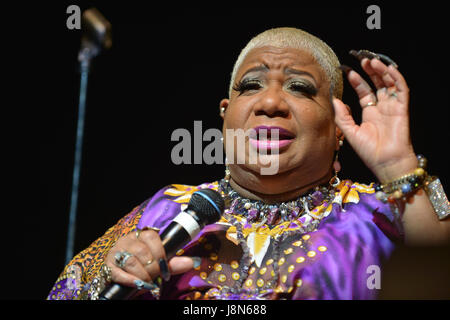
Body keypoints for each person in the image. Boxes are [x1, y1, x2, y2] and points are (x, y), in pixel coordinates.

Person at [48, 27, 450, 300]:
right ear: (226, 113)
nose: (270, 102)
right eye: (251, 86)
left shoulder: (378, 218)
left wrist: (398, 166)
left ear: (339, 123)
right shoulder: (166, 210)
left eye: (299, 88)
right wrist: (111, 274)